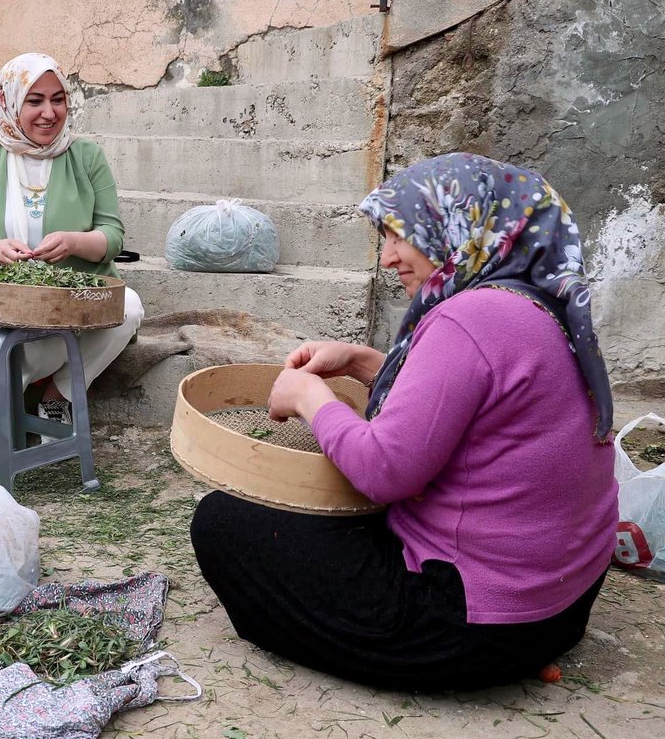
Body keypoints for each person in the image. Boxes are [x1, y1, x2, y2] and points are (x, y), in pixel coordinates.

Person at [189, 153, 618, 691]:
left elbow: (384, 470)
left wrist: (309, 397)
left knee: (224, 522)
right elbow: (471, 404)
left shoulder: (470, 318)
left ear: (459, 228)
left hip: (470, 625)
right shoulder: (541, 304)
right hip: (561, 606)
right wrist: (364, 363)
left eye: (400, 234)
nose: (389, 257)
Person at [0, 52, 143, 419]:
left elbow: (112, 235)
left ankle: (58, 395)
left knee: (130, 306)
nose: (49, 112)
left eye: (58, 99)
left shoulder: (86, 156)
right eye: (35, 100)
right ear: (9, 103)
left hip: (77, 299)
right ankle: (9, 409)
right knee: (8, 366)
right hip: (14, 304)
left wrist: (74, 242)